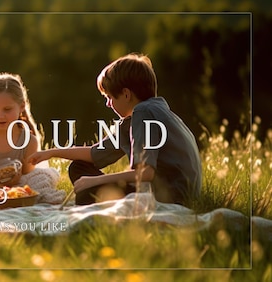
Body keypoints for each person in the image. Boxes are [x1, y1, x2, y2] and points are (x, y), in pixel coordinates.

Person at [28, 53, 202, 206]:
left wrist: (95, 181)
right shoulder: (148, 113)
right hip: (172, 192)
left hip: (169, 196)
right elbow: (95, 153)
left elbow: (145, 173)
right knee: (79, 168)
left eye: (110, 97)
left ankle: (98, 199)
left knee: (87, 194)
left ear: (126, 94)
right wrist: (51, 152)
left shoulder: (143, 112)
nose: (108, 104)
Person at [0, 73, 66, 204]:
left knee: (40, 177)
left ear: (21, 106)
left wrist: (15, 179)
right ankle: (10, 195)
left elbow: (27, 175)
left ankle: (15, 194)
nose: (0, 116)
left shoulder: (29, 141)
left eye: (7, 109)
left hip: (18, 185)